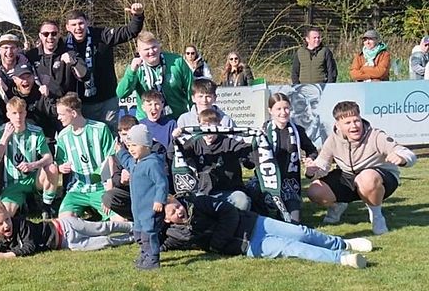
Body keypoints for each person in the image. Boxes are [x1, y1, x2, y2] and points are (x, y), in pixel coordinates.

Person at [161, 194, 371, 268]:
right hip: (251, 246)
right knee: (292, 248)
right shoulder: (174, 235)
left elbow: (229, 212)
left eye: (177, 205)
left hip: (257, 223)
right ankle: (342, 258)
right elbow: (156, 245)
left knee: (302, 233)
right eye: (173, 212)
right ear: (166, 220)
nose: (179, 211)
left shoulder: (198, 203)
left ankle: (342, 243)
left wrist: (217, 243)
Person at [306, 101, 416, 235]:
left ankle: (377, 216)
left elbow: (408, 154)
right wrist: (311, 171)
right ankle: (337, 205)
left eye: (356, 120)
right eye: (348, 123)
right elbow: (322, 166)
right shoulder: (332, 140)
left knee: (367, 177)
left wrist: (402, 158)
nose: (354, 126)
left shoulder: (376, 136)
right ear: (338, 125)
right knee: (315, 191)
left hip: (379, 178)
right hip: (348, 176)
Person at [64, 5, 144, 125]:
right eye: (73, 25)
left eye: (81, 23)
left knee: (111, 134)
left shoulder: (102, 35)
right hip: (81, 104)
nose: (78, 28)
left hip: (107, 101)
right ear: (67, 27)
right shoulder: (64, 45)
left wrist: (137, 16)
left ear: (87, 22)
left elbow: (130, 31)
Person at [0, 199, 132, 257]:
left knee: (102, 227)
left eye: (7, 219)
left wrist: (7, 255)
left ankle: (134, 226)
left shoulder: (21, 224)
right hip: (67, 243)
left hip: (65, 225)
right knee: (104, 242)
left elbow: (29, 247)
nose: (6, 225)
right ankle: (133, 238)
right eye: (0, 224)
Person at [170, 109, 253, 211]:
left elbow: (249, 156)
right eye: (205, 126)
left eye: (212, 126)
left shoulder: (229, 142)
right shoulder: (195, 143)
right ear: (199, 126)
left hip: (230, 191)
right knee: (194, 202)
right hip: (204, 191)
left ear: (219, 126)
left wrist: (257, 142)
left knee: (242, 200)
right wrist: (175, 139)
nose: (208, 131)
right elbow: (174, 155)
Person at [255, 93, 317, 222]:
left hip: (289, 184)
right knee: (260, 218)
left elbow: (312, 150)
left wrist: (310, 160)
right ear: (270, 111)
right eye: (278, 109)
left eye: (286, 108)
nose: (283, 112)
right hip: (267, 182)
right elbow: (252, 159)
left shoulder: (297, 131)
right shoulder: (263, 132)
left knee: (294, 221)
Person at [114, 124, 168, 270]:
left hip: (151, 209)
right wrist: (120, 152)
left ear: (146, 146)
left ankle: (152, 259)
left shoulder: (152, 163)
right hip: (138, 209)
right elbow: (127, 162)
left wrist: (159, 200)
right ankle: (144, 255)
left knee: (148, 234)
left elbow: (162, 183)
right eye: (129, 146)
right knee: (138, 233)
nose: (131, 149)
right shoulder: (135, 162)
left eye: (135, 145)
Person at [0, 97, 58, 215]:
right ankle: (24, 204)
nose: (18, 116)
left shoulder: (36, 131)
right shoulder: (1, 131)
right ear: (8, 115)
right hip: (13, 182)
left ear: (25, 113)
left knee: (52, 168)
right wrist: (5, 138)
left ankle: (46, 206)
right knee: (6, 213)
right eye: (14, 113)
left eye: (21, 112)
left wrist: (33, 165)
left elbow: (48, 157)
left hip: (33, 178)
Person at [54, 93, 114, 220]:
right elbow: (59, 162)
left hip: (101, 187)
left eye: (61, 114)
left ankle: (96, 215)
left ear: (73, 113)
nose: (58, 118)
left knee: (120, 221)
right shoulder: (63, 136)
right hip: (78, 188)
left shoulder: (100, 129)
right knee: (65, 220)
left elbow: (111, 158)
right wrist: (60, 168)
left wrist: (110, 190)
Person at [116, 30, 194, 120]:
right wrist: (132, 72)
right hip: (147, 120)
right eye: (146, 49)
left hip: (177, 117)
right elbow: (121, 94)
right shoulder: (136, 68)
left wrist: (194, 114)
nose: (151, 51)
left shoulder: (177, 61)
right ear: (138, 51)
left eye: (154, 47)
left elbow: (191, 88)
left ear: (159, 46)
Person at [25, 19, 88, 99]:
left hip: (66, 103)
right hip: (41, 103)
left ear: (59, 35)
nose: (50, 37)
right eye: (46, 34)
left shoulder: (70, 53)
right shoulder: (31, 55)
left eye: (54, 33)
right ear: (40, 36)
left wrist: (74, 63)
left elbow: (85, 76)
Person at [7, 63, 59, 137]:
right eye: (22, 78)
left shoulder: (41, 92)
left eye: (28, 77)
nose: (25, 80)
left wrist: (49, 97)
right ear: (15, 79)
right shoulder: (10, 94)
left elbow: (55, 112)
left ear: (33, 77)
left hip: (43, 136)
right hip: (17, 137)